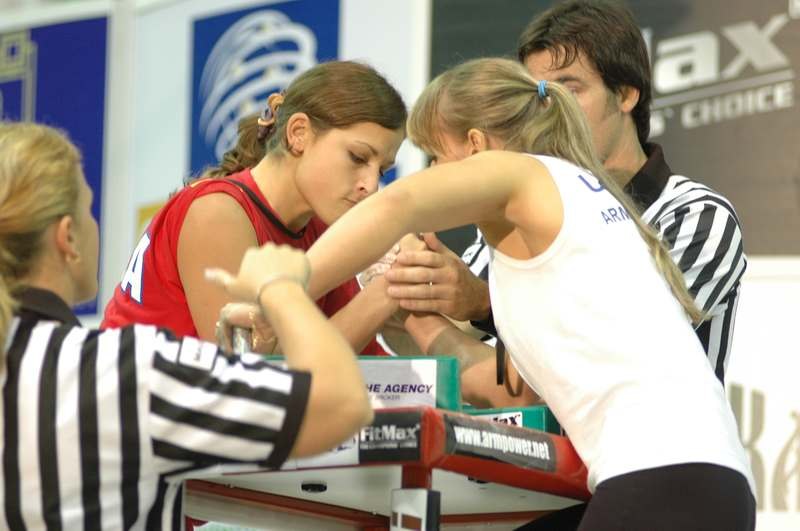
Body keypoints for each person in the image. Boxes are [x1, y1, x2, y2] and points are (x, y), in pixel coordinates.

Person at [304, 58, 756, 530]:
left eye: (434, 158)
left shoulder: (530, 177)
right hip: (698, 482)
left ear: (477, 149)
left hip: (663, 478)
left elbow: (397, 204)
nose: (430, 173)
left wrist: (284, 282)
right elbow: (508, 389)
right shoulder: (550, 221)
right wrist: (412, 303)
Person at [0, 122, 372, 529]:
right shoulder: (128, 371)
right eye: (89, 209)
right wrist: (281, 290)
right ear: (67, 239)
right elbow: (340, 406)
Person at [385, 0, 746, 398]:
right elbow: (459, 362)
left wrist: (481, 304)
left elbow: (616, 344)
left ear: (625, 95)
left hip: (662, 453)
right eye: (538, 95)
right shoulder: (513, 217)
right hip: (533, 456)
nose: (548, 111)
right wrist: (407, 290)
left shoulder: (697, 215)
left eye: (569, 90)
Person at [102, 60, 407, 355]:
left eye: (382, 170)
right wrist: (387, 290)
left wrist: (416, 291)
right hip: (120, 401)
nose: (371, 185)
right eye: (357, 157)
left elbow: (369, 369)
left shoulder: (319, 231)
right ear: (298, 133)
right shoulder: (216, 213)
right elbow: (250, 377)